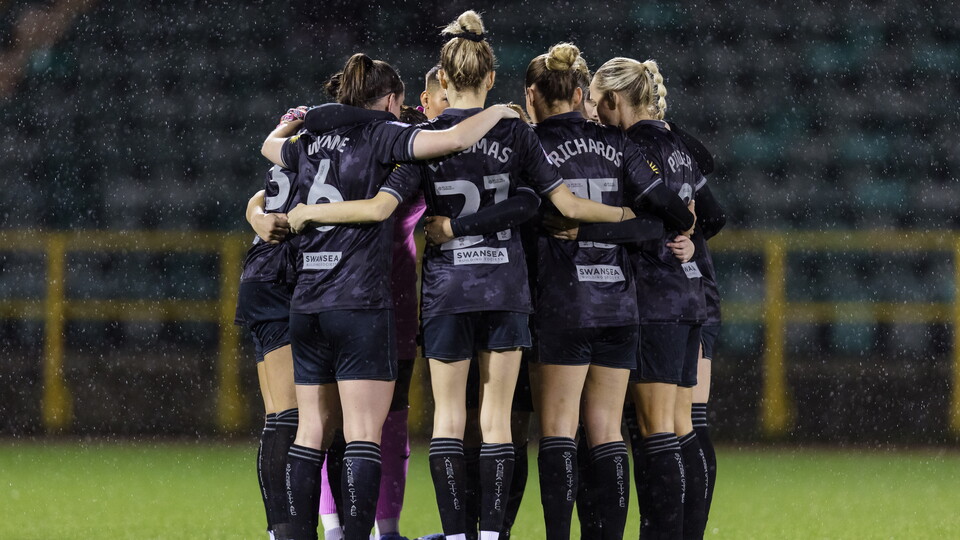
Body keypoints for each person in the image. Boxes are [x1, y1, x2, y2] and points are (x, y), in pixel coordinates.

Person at [260, 52, 521, 540]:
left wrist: (293, 124)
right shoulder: (386, 136)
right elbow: (455, 139)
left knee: (310, 431)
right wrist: (501, 111)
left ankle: (305, 533)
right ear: (394, 100)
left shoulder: (312, 140)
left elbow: (270, 152)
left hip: (307, 299)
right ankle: (366, 534)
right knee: (363, 434)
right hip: (359, 298)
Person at [522, 43, 697, 540]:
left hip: (562, 301)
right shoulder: (619, 147)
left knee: (558, 430)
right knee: (606, 431)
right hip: (619, 304)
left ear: (532, 95)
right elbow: (667, 214)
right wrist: (675, 223)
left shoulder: (530, 144)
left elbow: (519, 215)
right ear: (580, 94)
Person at [589, 57, 725, 540]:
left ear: (612, 100)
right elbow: (712, 213)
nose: (594, 115)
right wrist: (690, 233)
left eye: (596, 102)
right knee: (678, 426)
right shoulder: (678, 143)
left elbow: (667, 206)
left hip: (656, 295)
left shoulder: (634, 144)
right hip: (689, 293)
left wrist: (678, 226)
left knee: (654, 432)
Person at [235, 107, 308, 540]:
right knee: (292, 417)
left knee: (279, 417)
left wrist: (253, 211)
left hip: (260, 275)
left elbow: (262, 194)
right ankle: (287, 529)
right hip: (281, 275)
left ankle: (280, 528)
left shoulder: (291, 144)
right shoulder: (326, 150)